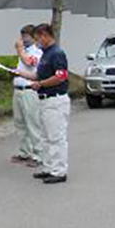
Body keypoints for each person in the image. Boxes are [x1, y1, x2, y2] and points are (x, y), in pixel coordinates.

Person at [16, 24, 70, 185]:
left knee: (56, 137)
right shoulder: (45, 54)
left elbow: (61, 76)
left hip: (55, 100)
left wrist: (41, 84)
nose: (37, 42)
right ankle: (48, 167)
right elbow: (38, 75)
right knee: (46, 137)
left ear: (45, 35)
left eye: (38, 38)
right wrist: (21, 73)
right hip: (44, 100)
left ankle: (59, 171)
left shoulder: (57, 53)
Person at [11, 25, 44, 167]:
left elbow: (30, 63)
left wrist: (19, 50)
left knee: (33, 123)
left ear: (33, 37)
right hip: (18, 89)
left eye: (26, 36)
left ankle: (39, 154)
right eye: (22, 36)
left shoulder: (37, 51)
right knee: (20, 122)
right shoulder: (23, 51)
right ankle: (24, 151)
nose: (23, 39)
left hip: (30, 90)